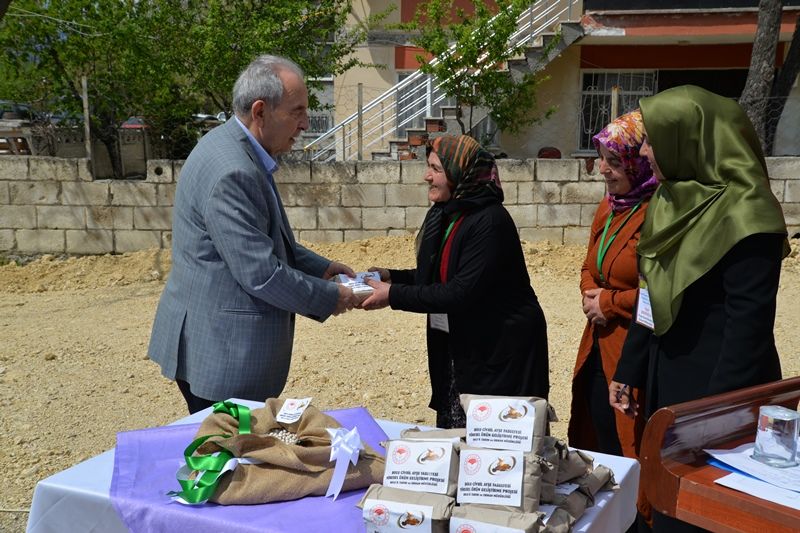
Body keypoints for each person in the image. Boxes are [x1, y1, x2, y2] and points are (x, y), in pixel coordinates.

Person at [609, 85, 789, 533]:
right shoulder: (670, 202)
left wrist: (709, 421)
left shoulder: (749, 214)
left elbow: (746, 331)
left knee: (703, 511)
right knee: (666, 502)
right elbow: (653, 293)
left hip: (719, 395)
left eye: (651, 138)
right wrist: (630, 369)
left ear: (687, 138)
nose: (644, 151)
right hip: (667, 382)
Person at [148, 55, 359, 414]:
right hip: (224, 355)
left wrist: (319, 268)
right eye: (297, 111)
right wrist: (329, 296)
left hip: (213, 341)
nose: (305, 123)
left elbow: (265, 238)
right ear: (260, 111)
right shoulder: (234, 170)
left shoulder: (233, 147)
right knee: (228, 458)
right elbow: (260, 273)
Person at [360, 135, 549, 429]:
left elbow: (459, 292)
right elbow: (439, 276)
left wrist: (393, 295)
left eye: (435, 168)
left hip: (500, 355)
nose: (426, 176)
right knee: (458, 439)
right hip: (463, 347)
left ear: (460, 172)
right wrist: (391, 276)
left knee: (495, 443)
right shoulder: (450, 214)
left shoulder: (489, 221)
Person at [568, 110, 657, 458]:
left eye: (614, 162)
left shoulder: (656, 214)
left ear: (638, 163)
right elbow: (589, 265)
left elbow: (661, 291)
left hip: (631, 347)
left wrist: (608, 303)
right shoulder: (609, 206)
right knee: (599, 437)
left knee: (629, 446)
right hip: (596, 344)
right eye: (602, 159)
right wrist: (591, 295)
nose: (603, 169)